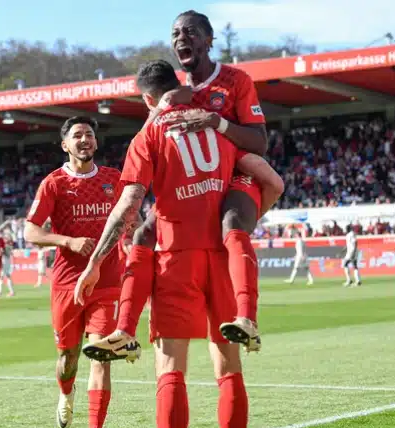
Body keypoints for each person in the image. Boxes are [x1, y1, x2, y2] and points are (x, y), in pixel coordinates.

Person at [84, 9, 284, 358]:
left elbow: (260, 142)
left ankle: (248, 319)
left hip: (239, 171)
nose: (182, 38)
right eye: (176, 34)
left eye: (191, 32)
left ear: (209, 40)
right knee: (144, 232)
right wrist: (159, 109)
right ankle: (124, 332)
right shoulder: (177, 92)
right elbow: (159, 128)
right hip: (197, 185)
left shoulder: (236, 81)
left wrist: (216, 122)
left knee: (231, 220)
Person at [75, 59, 252, 428]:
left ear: (147, 99)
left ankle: (124, 332)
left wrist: (94, 263)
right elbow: (257, 168)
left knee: (171, 370)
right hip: (221, 255)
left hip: (176, 258)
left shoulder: (148, 136)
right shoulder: (216, 120)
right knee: (228, 368)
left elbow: (128, 207)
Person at [23, 116, 136, 428]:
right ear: (65, 145)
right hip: (67, 283)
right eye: (77, 136)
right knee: (67, 360)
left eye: (89, 135)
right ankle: (66, 393)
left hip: (108, 280)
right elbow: (30, 232)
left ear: (96, 143)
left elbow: (133, 217)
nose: (84, 140)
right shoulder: (54, 183)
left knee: (102, 358)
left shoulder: (115, 179)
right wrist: (67, 241)